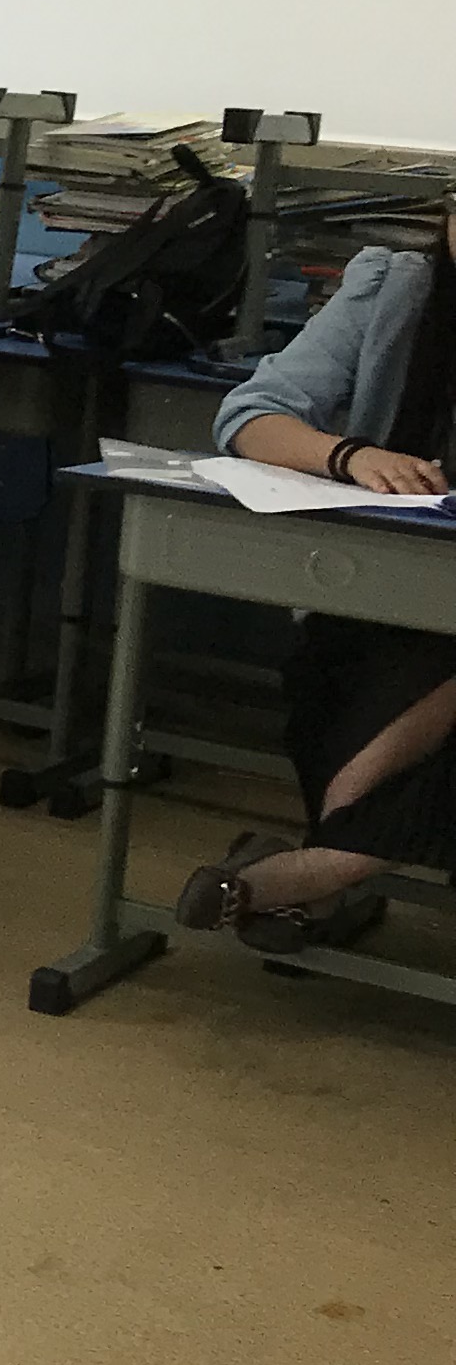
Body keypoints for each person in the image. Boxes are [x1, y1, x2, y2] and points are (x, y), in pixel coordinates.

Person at [179, 235, 456, 951]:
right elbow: (251, 415)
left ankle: (313, 871)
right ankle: (327, 866)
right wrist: (350, 456)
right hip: (376, 597)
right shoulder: (395, 288)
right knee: (344, 698)